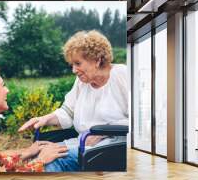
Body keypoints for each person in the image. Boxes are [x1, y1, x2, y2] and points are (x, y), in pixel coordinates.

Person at [18, 30, 128, 172]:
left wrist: (101, 133)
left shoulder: (122, 75)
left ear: (97, 60)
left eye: (77, 63)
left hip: (114, 146)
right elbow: (67, 112)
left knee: (53, 162)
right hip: (83, 142)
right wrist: (44, 119)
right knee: (40, 154)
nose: (74, 70)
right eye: (71, 64)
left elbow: (141, 121)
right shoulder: (82, 82)